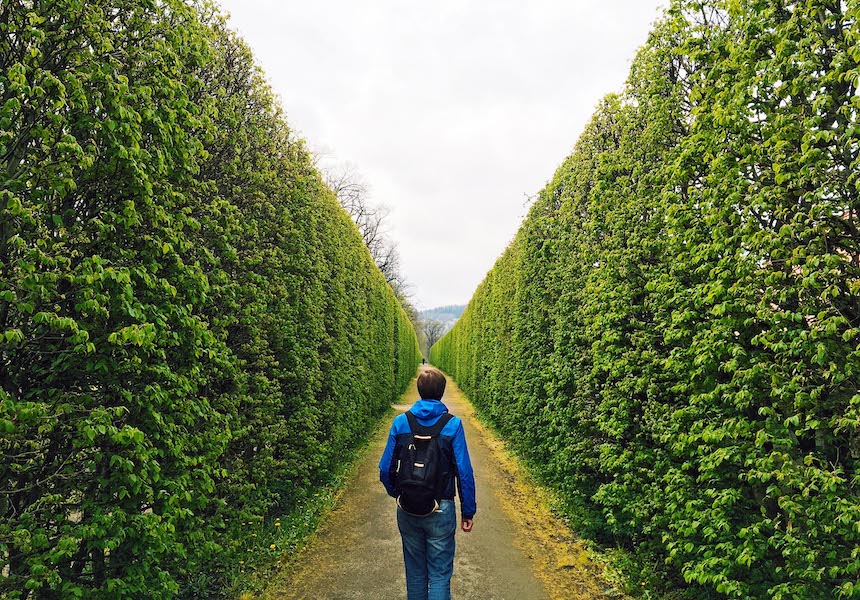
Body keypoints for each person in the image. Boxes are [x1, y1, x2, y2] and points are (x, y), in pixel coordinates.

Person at [379, 368, 476, 600]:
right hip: (440, 507)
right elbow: (464, 472)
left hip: (408, 508)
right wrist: (468, 511)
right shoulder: (453, 425)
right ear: (441, 392)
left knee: (415, 572)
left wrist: (398, 494)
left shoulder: (401, 422)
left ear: (419, 391)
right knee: (440, 574)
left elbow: (385, 469)